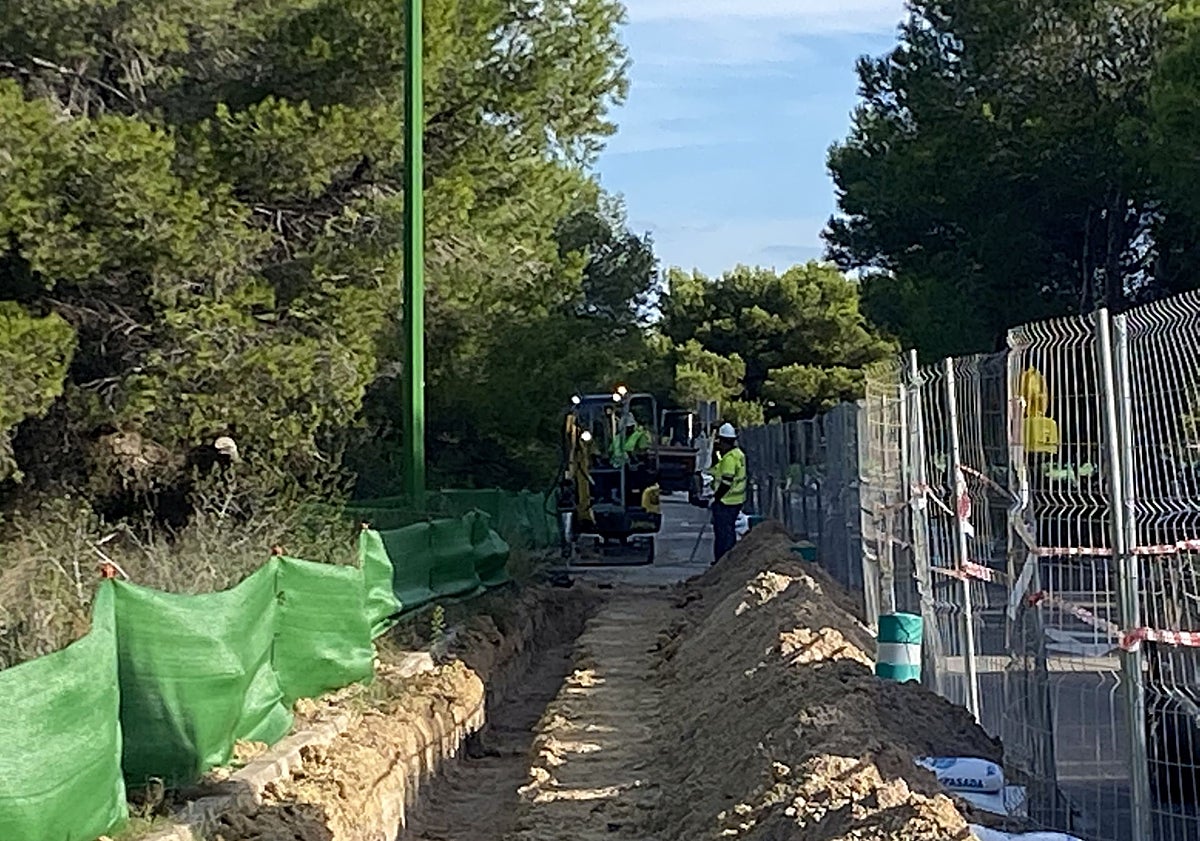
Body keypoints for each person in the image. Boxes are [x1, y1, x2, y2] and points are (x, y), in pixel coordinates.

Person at [705, 422, 746, 563]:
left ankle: (723, 562)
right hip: (736, 501)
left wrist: (716, 498)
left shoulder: (729, 458)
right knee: (728, 532)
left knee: (723, 534)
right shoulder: (739, 454)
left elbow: (726, 482)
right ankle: (727, 561)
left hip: (726, 502)